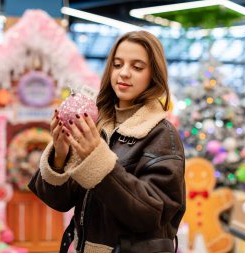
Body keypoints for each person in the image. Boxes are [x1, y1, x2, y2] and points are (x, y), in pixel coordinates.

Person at [28, 30, 186, 253]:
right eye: (117, 64)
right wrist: (61, 155)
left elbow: (152, 216)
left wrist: (98, 161)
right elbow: (60, 202)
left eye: (137, 67)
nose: (124, 73)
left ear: (154, 75)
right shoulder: (98, 124)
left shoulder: (162, 135)